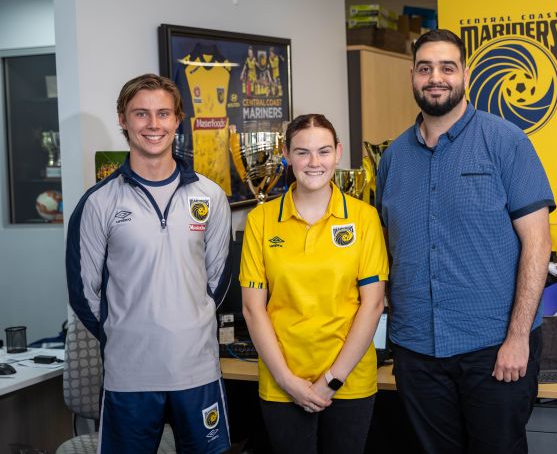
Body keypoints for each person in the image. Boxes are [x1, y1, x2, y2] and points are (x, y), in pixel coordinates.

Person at [376, 29, 556, 454]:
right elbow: (387, 248)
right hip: (416, 350)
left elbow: (538, 245)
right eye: (425, 69)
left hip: (493, 350)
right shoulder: (392, 159)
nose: (435, 78)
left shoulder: (506, 142)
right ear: (412, 77)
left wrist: (517, 339)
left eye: (446, 67)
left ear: (465, 75)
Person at [66, 74, 232, 453]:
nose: (153, 125)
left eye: (162, 114)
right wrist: (126, 333)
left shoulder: (210, 195)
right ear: (123, 120)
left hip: (197, 371)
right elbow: (83, 292)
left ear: (177, 120)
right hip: (130, 376)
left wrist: (187, 323)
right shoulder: (98, 202)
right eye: (141, 114)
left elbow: (219, 280)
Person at [240, 114, 388, 454]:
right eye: (303, 152)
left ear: (337, 153)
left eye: (323, 151)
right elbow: (252, 308)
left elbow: (373, 304)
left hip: (349, 382)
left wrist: (331, 380)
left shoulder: (363, 217)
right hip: (282, 382)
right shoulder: (261, 220)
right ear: (287, 156)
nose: (314, 162)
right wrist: (287, 381)